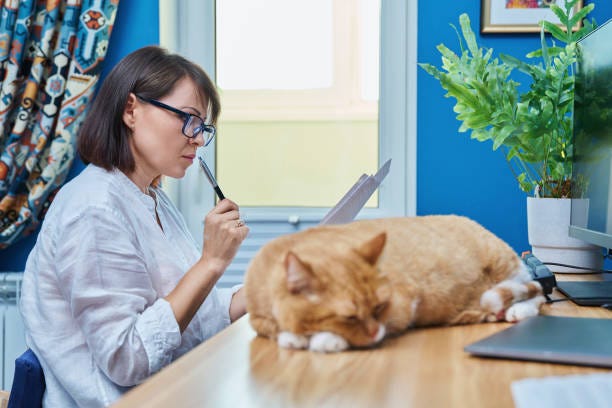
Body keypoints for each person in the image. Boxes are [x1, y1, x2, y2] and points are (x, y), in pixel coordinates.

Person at [19, 46, 249, 407]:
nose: (199, 139)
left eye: (203, 127)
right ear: (131, 110)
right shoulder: (94, 209)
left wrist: (261, 292)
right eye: (188, 119)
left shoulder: (150, 198)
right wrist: (210, 263)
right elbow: (126, 360)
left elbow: (190, 315)